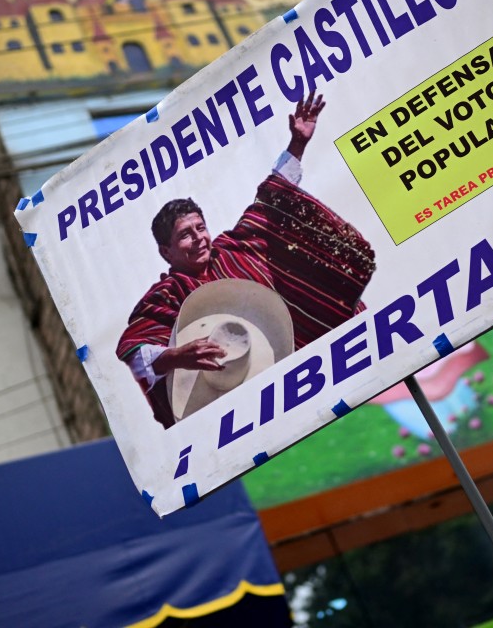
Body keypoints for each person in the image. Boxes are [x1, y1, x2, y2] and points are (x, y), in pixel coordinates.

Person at [116, 92, 376, 427]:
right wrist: (175, 355)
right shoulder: (168, 293)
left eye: (200, 227)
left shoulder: (235, 246)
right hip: (258, 404)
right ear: (166, 252)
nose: (198, 238)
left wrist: (297, 142)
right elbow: (136, 352)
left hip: (315, 359)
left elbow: (271, 199)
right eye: (185, 234)